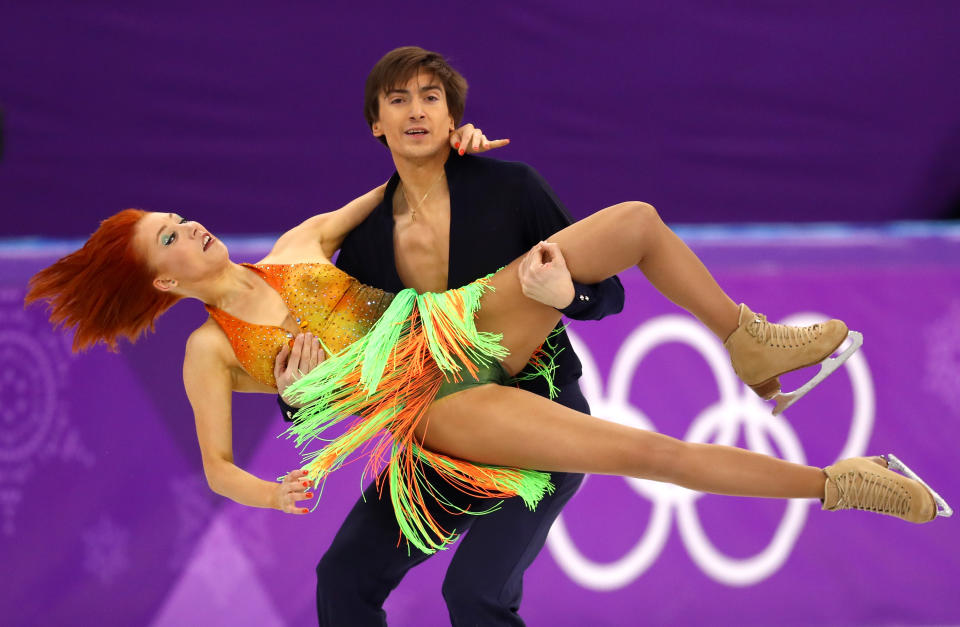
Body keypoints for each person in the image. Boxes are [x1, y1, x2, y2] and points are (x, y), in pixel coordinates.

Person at [269, 46, 625, 626]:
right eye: (399, 99)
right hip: (444, 446)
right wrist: (297, 393)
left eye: (431, 98)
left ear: (452, 117)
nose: (416, 112)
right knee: (343, 578)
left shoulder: (512, 189)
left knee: (474, 595)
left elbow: (609, 294)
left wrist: (569, 297)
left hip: (541, 431)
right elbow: (346, 370)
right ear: (375, 123)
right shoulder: (362, 246)